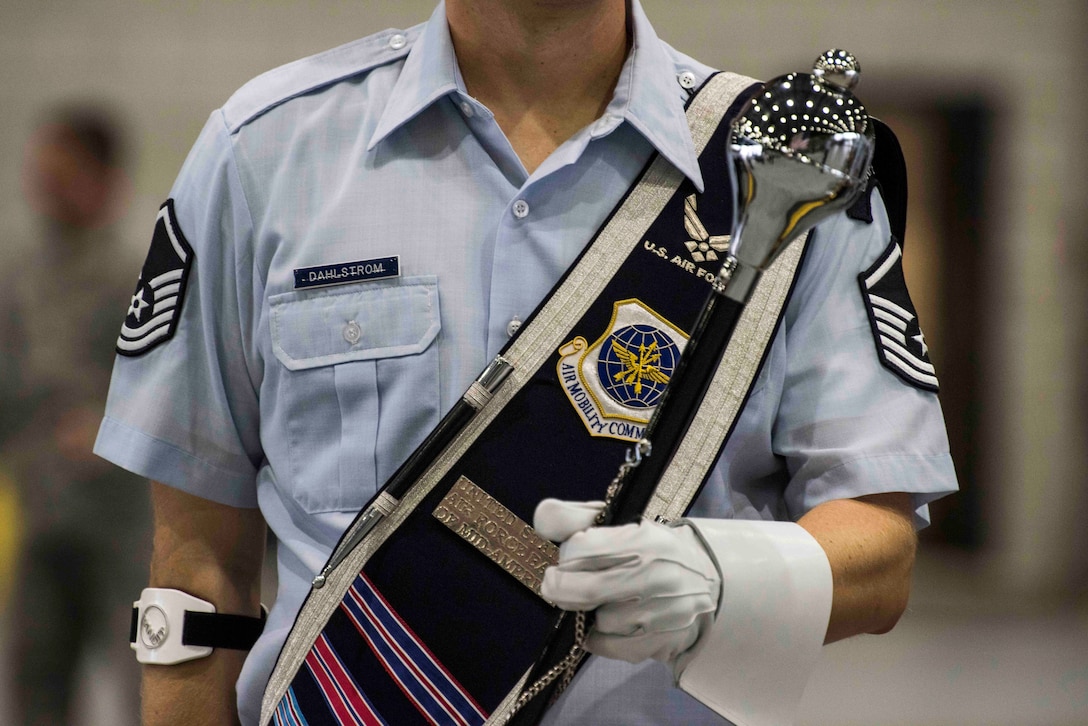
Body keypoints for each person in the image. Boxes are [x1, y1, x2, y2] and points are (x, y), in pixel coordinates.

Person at [94, 1, 958, 724]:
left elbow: (880, 552)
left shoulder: (785, 172)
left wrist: (722, 579)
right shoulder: (263, 155)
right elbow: (194, 577)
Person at [2, 104, 148, 726]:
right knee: (36, 678)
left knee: (138, 674)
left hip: (123, 520)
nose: (46, 188)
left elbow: (168, 392)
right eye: (43, 174)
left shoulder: (139, 276)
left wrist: (106, 426)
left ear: (104, 180)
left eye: (63, 173)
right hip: (41, 512)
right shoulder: (17, 279)